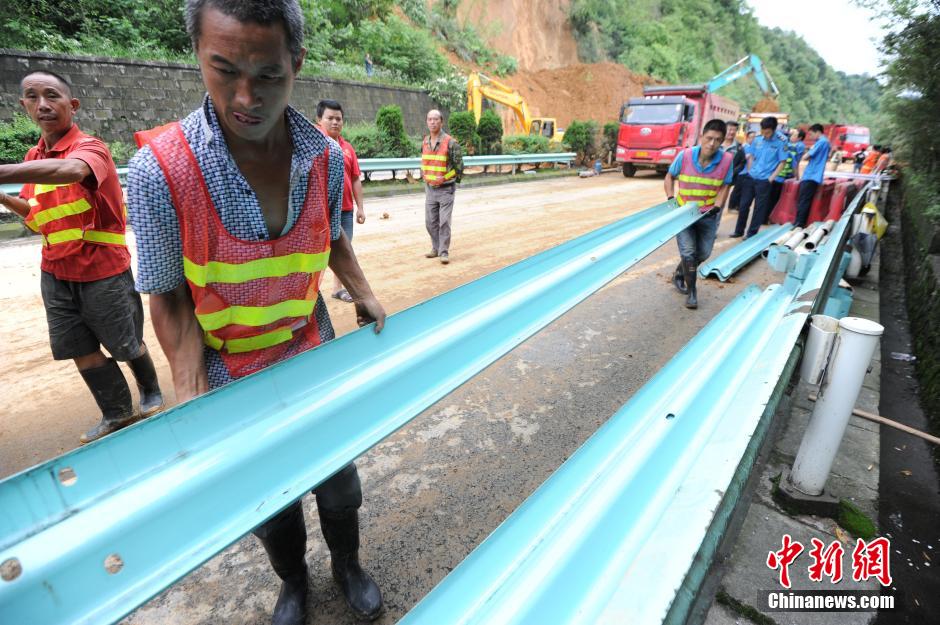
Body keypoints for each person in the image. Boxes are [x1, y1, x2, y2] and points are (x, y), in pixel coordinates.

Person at [128, 2, 386, 624]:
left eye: (268, 75)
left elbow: (330, 237)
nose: (246, 97)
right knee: (271, 501)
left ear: (296, 64)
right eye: (223, 69)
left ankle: (346, 564)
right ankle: (293, 583)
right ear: (197, 55)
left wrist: (363, 289)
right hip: (228, 368)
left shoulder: (323, 158)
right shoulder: (160, 171)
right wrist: (192, 396)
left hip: (308, 347)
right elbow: (166, 296)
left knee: (339, 481)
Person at [0, 70, 164, 445]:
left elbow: (72, 171)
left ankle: (151, 389)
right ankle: (117, 412)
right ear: (23, 105)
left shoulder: (90, 148)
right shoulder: (33, 157)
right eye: (32, 96)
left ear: (71, 105)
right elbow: (36, 217)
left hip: (102, 270)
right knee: (79, 348)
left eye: (52, 95)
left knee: (125, 344)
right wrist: (6, 198)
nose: (42, 104)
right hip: (55, 271)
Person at [664, 119, 734, 309]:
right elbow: (670, 176)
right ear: (701, 136)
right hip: (684, 214)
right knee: (688, 253)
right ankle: (692, 291)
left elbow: (725, 185)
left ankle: (680, 273)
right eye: (709, 138)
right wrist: (671, 198)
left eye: (717, 140)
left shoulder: (727, 160)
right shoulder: (685, 156)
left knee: (703, 253)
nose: (712, 144)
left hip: (707, 215)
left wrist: (718, 205)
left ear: (722, 141)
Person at [317, 99, 365, 304]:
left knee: (345, 249)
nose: (335, 122)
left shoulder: (348, 148)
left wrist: (360, 207)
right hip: (321, 212)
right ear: (319, 120)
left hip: (345, 210)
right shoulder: (314, 145)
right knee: (317, 253)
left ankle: (338, 289)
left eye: (339, 119)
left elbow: (355, 178)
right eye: (330, 118)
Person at [731, 116, 788, 239]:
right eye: (763, 131)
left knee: (759, 208)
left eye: (767, 132)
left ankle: (751, 234)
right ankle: (738, 231)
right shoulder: (757, 139)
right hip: (751, 177)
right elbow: (750, 156)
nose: (765, 134)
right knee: (744, 205)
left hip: (765, 180)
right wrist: (751, 170)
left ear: (773, 130)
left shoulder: (781, 141)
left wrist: (770, 179)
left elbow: (782, 162)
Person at [422, 109, 463, 265]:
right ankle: (436, 247)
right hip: (430, 188)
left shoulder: (451, 142)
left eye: (435, 119)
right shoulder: (425, 141)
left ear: (441, 122)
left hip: (446, 189)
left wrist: (444, 178)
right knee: (430, 222)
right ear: (427, 122)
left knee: (444, 221)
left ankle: (444, 252)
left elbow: (459, 167)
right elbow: (426, 161)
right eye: (429, 119)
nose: (432, 122)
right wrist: (424, 174)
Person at [794, 123, 830, 228]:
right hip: (814, 175)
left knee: (803, 200)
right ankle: (800, 221)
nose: (810, 137)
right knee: (805, 199)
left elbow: (806, 156)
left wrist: (805, 155)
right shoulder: (825, 142)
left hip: (811, 175)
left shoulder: (821, 142)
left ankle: (799, 223)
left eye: (811, 134)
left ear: (817, 132)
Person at [769, 128, 806, 214]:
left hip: (784, 176)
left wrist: (797, 177)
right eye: (791, 135)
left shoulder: (798, 146)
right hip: (780, 176)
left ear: (800, 138)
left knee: (775, 197)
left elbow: (796, 164)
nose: (791, 136)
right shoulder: (788, 145)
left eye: (794, 135)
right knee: (775, 197)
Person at [727, 130, 755, 212]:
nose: (753, 139)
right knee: (737, 190)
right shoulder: (743, 148)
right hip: (741, 172)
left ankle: (738, 207)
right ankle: (731, 206)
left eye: (754, 137)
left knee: (744, 191)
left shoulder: (755, 148)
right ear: (747, 138)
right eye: (751, 137)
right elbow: (739, 160)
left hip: (749, 173)